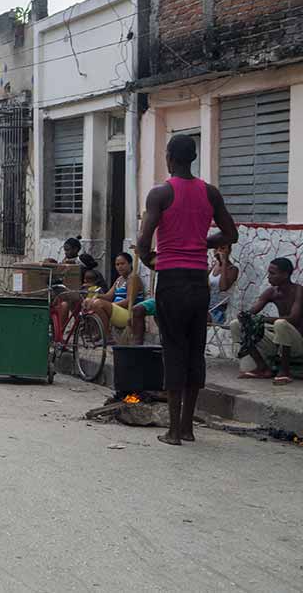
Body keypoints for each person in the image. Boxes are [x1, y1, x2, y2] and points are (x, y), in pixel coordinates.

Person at [138, 134, 237, 446]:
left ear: (169, 158)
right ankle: (188, 428)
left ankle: (172, 431)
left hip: (171, 280)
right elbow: (230, 233)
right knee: (195, 351)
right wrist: (201, 242)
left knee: (173, 350)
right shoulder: (210, 193)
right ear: (193, 158)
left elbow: (144, 241)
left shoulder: (160, 193)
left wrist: (149, 259)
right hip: (198, 283)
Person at [232, 258, 303, 385]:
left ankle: (285, 371)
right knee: (236, 324)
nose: (268, 277)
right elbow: (252, 311)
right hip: (279, 341)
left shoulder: (299, 291)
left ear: (285, 275)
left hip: (297, 343)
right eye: (268, 273)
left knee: (281, 323)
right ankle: (262, 368)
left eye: (272, 273)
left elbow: (293, 318)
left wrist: (263, 319)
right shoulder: (271, 292)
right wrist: (244, 316)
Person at [86, 253, 146, 333]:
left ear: (130, 264)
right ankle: (96, 333)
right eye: (117, 264)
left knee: (99, 304)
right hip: (117, 311)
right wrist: (94, 295)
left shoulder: (133, 278)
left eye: (122, 264)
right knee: (89, 301)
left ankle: (107, 335)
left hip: (128, 313)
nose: (119, 267)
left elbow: (128, 301)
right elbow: (108, 296)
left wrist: (111, 305)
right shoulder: (119, 280)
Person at [208, 245, 238, 324]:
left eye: (222, 248)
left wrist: (224, 262)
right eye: (216, 248)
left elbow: (223, 287)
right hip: (207, 307)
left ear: (229, 250)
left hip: (219, 310)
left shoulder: (233, 269)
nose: (219, 251)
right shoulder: (214, 266)